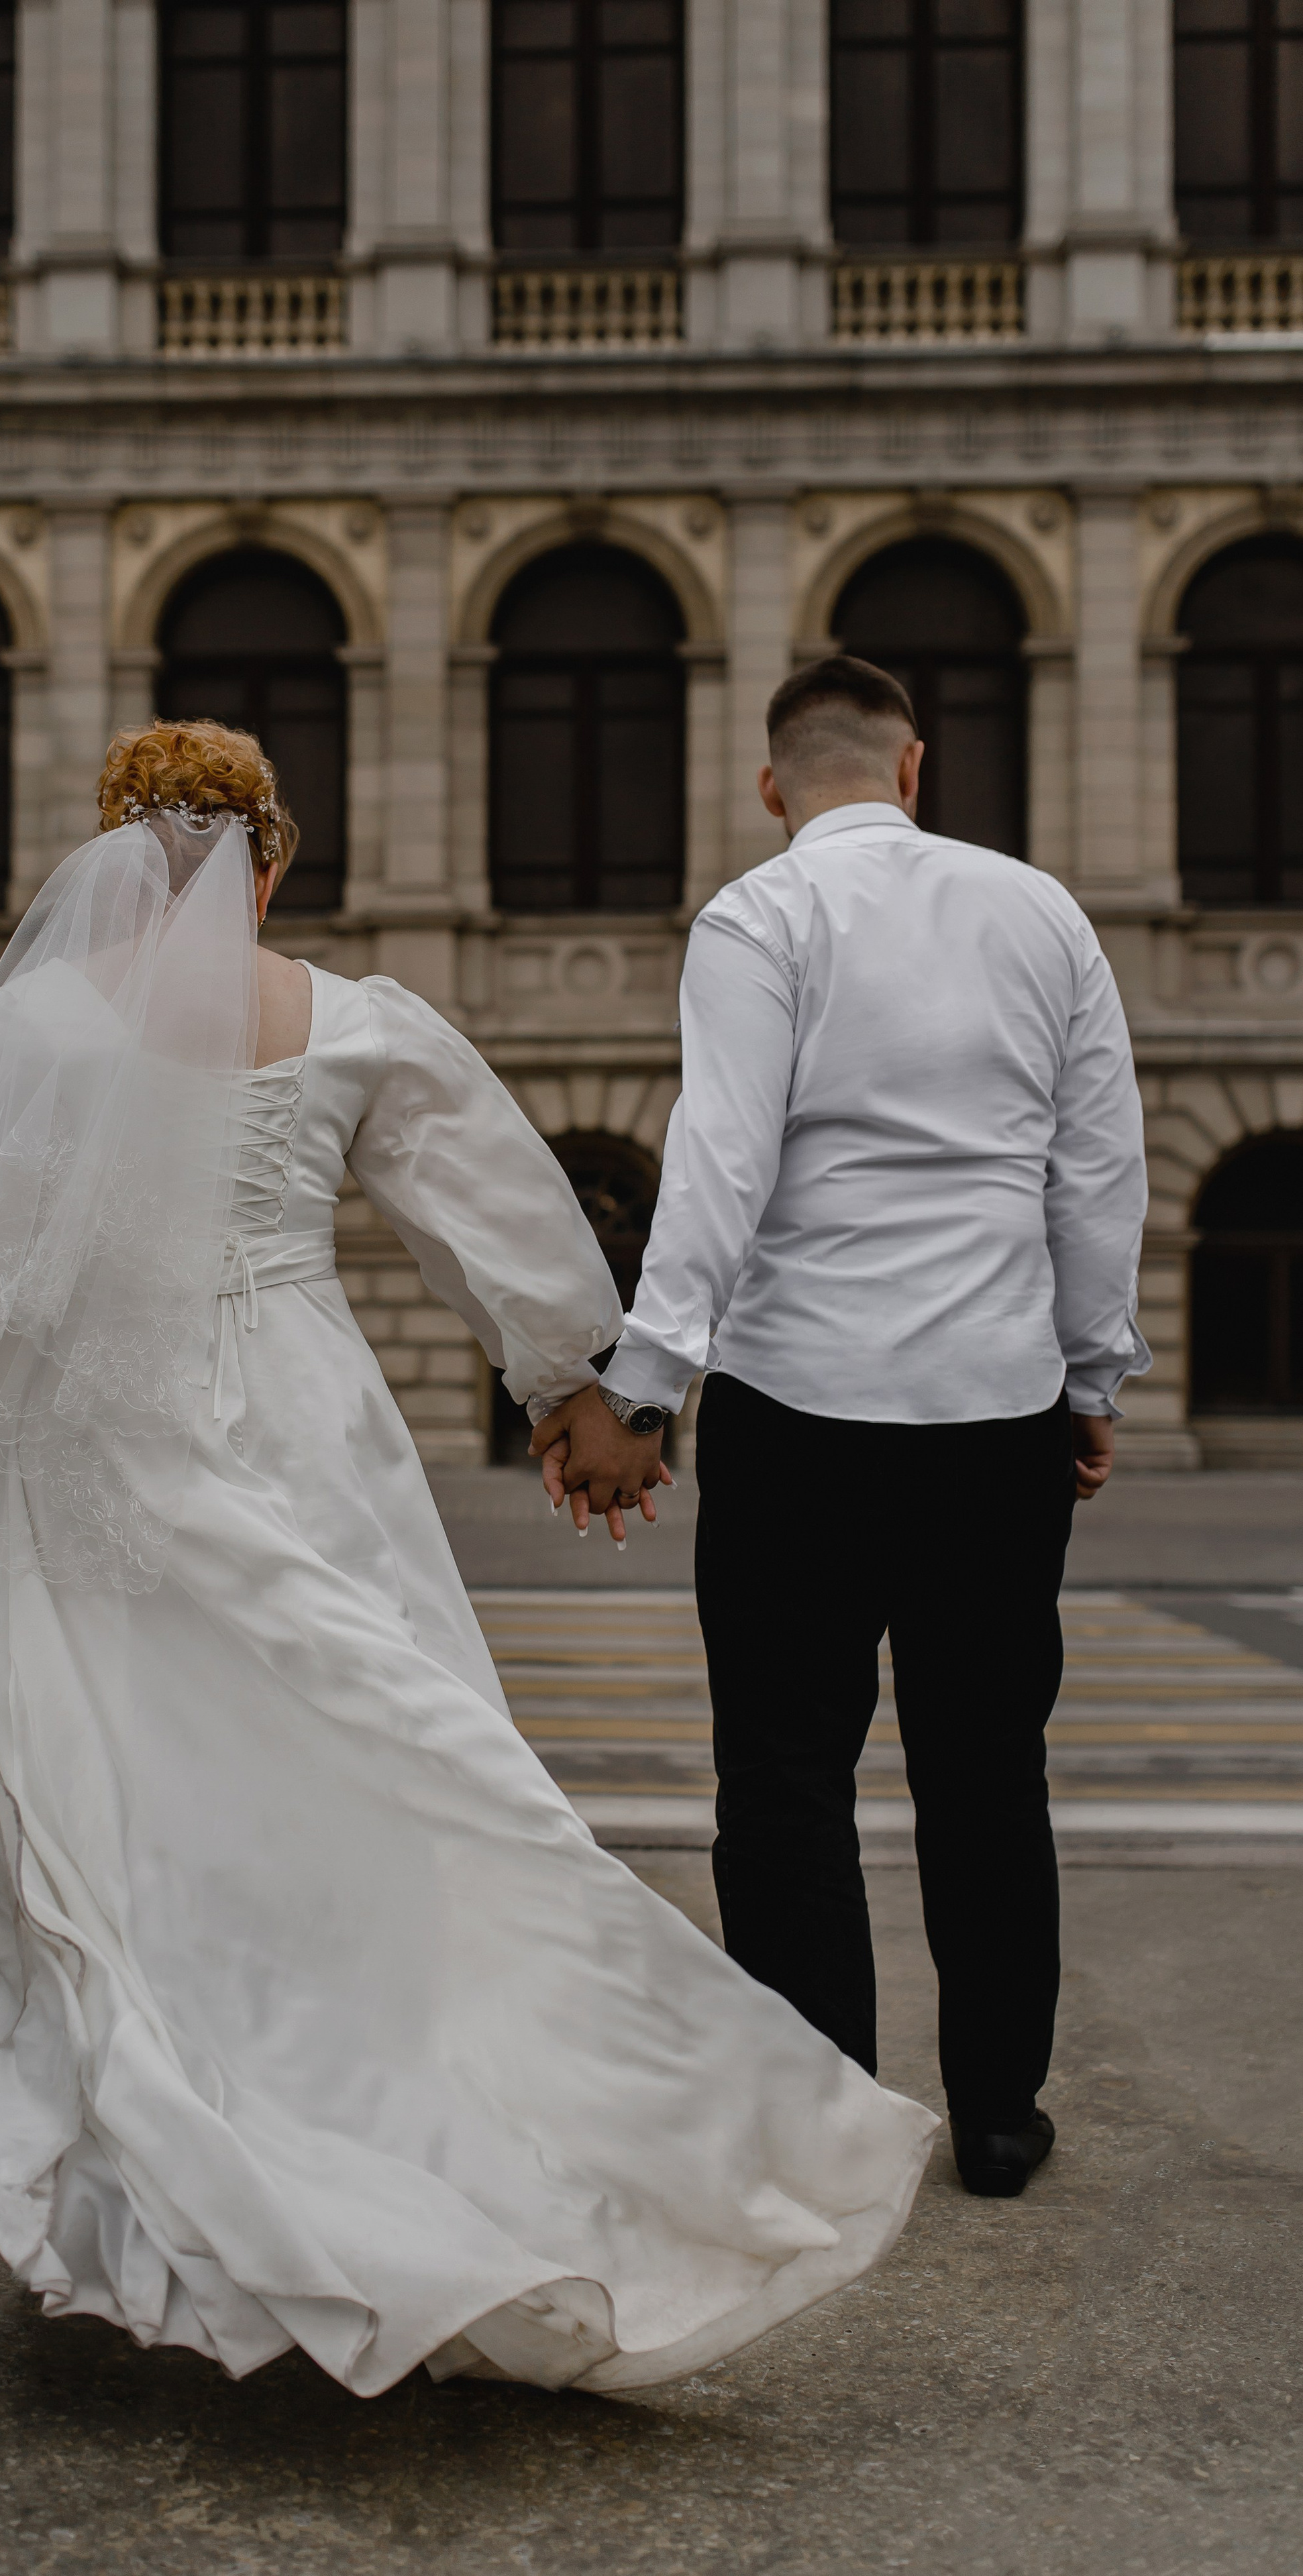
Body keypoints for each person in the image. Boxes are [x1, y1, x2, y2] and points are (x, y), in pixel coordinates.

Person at [0, 715, 935, 2398]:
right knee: (380, 1767)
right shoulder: (351, 1020)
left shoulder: (17, 1024)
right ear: (279, 855)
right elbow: (493, 1206)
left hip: (94, 1451)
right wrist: (576, 1388)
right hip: (301, 1421)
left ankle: (165, 2202)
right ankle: (421, 2124)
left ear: (112, 855)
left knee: (133, 1813)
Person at [536, 656, 1149, 2202]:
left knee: (785, 1777)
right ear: (912, 766)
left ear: (770, 787)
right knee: (986, 1769)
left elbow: (720, 1165)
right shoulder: (1041, 915)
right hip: (991, 1416)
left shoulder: (758, 918)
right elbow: (1093, 1175)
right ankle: (997, 2117)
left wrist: (646, 1385)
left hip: (799, 1416)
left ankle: (821, 2124)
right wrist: (1088, 1378)